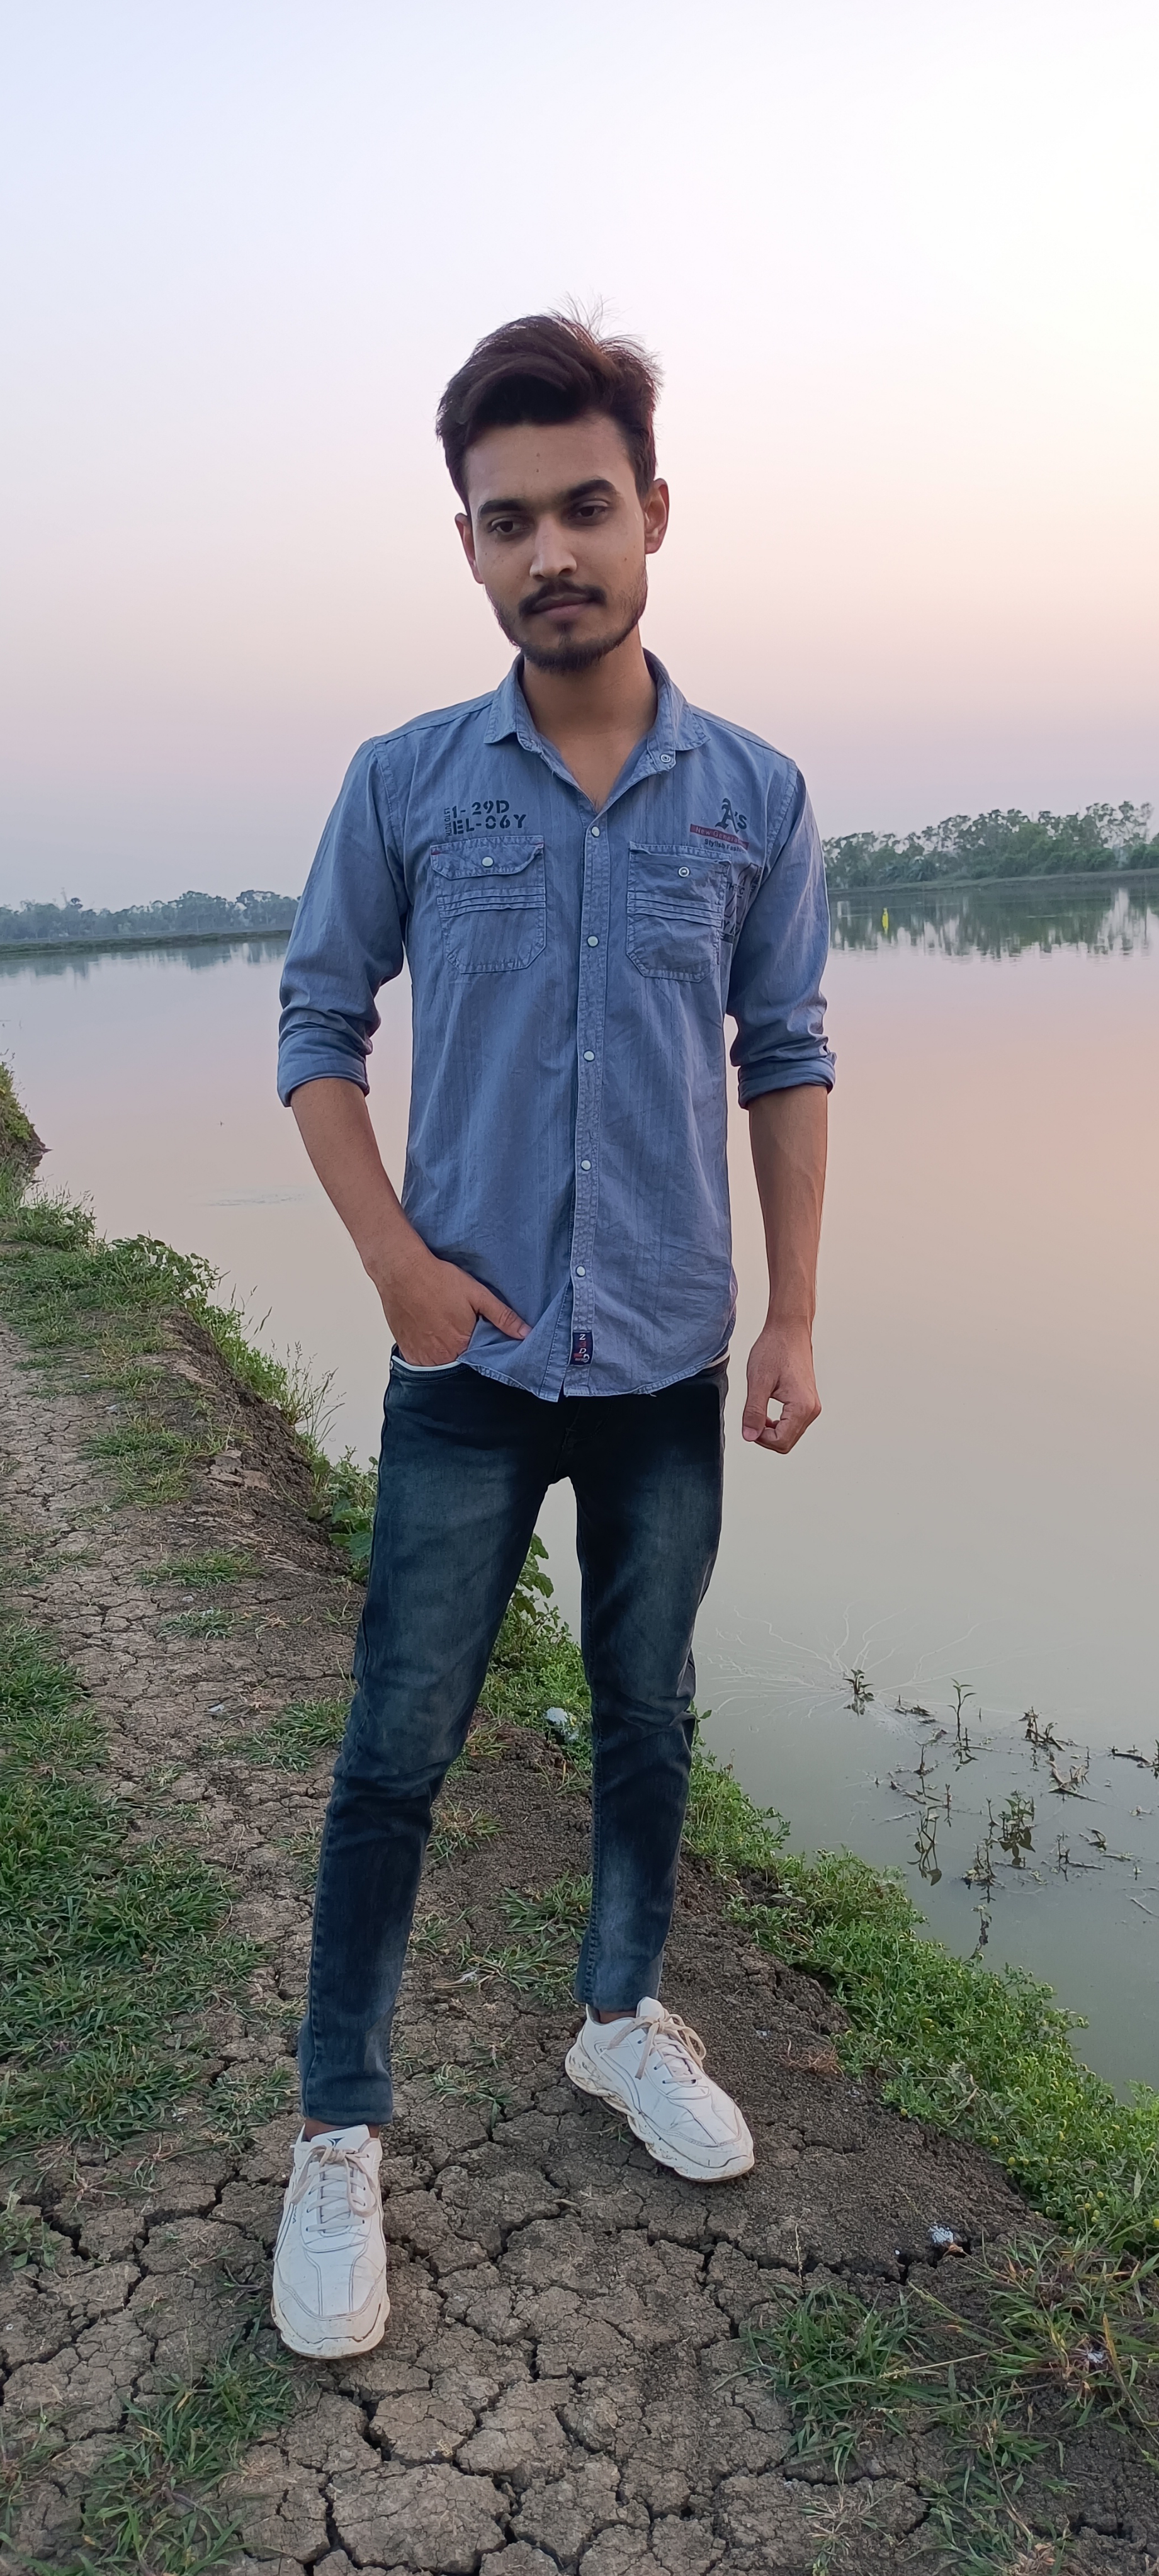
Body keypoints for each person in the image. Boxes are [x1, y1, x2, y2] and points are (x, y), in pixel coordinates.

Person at [271, 313, 834, 2359]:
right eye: (506, 522)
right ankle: (338, 2130)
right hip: (470, 1366)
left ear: (652, 513)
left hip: (668, 1354)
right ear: (469, 547)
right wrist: (394, 1265)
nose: (549, 552)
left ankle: (616, 2018)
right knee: (393, 1752)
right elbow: (316, 1028)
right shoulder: (405, 783)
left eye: (582, 506)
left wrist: (793, 1313)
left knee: (645, 1716)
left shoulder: (751, 794)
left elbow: (785, 1053)